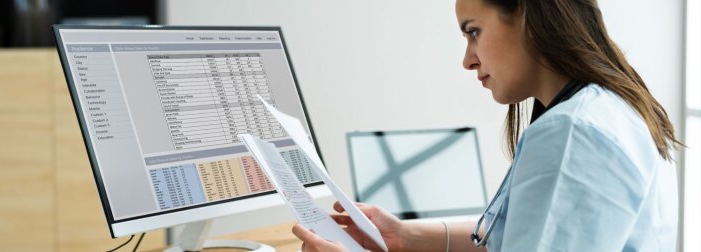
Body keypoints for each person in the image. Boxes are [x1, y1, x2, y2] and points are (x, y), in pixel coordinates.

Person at [291, 0, 683, 251]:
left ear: (527, 15)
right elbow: (519, 236)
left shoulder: (573, 133)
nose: (468, 59)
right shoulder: (609, 107)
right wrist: (406, 237)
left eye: (473, 31)